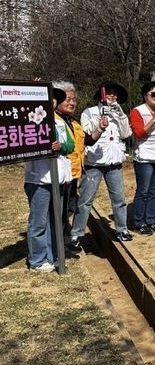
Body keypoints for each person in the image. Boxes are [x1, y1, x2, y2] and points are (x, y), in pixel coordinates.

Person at [73, 82, 133, 243]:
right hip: (94, 162)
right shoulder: (89, 112)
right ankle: (76, 234)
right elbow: (86, 132)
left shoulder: (118, 113)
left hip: (114, 162)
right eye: (109, 93)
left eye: (115, 94)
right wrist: (100, 116)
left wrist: (121, 115)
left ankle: (122, 229)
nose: (112, 96)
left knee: (119, 199)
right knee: (85, 200)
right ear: (101, 95)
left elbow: (126, 134)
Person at [24, 88, 74, 271]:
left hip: (58, 179)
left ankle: (53, 256)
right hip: (39, 179)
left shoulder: (60, 122)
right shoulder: (30, 120)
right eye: (46, 97)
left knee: (55, 220)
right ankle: (37, 260)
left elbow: (70, 145)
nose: (50, 101)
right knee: (39, 222)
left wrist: (61, 146)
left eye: (53, 99)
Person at [130, 81, 155, 235]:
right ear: (145, 96)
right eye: (153, 94)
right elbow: (139, 133)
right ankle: (138, 222)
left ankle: (151, 220)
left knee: (154, 191)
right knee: (143, 191)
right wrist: (153, 119)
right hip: (144, 159)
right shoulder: (137, 111)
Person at [52, 81, 86, 257]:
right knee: (59, 210)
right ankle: (59, 246)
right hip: (59, 174)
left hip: (73, 173)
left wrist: (100, 129)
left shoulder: (72, 121)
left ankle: (64, 241)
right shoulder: (52, 120)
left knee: (68, 208)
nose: (72, 103)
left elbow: (85, 141)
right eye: (67, 99)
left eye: (74, 99)